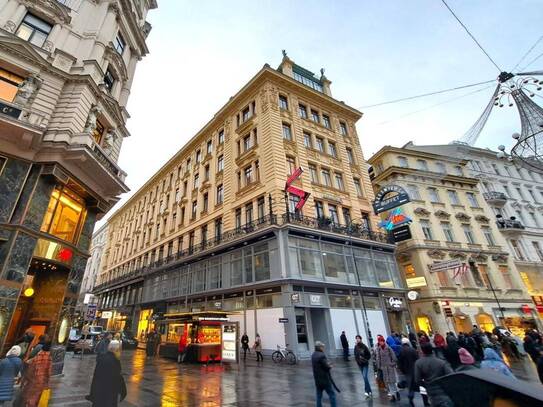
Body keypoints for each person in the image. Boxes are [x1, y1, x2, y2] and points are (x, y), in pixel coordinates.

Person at [87, 342, 127, 407]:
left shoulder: (102, 358)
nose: (120, 351)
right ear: (116, 350)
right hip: (110, 392)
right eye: (119, 349)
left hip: (99, 389)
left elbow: (96, 376)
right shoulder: (115, 360)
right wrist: (122, 390)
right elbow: (117, 377)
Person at [414, 342, 454, 407]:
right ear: (432, 350)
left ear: (422, 351)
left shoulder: (419, 363)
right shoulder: (441, 361)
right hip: (444, 390)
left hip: (431, 391)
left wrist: (426, 385)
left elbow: (417, 380)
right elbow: (451, 375)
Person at [20, 339, 52, 407]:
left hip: (34, 380)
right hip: (42, 381)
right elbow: (48, 372)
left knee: (30, 396)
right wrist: (47, 383)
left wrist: (26, 379)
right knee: (37, 397)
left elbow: (31, 369)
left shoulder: (38, 356)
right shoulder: (49, 357)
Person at [311, 341, 338, 407]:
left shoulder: (313, 355)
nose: (323, 348)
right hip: (325, 379)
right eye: (322, 347)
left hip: (317, 379)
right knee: (332, 394)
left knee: (319, 395)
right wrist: (330, 366)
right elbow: (326, 366)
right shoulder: (322, 355)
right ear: (319, 347)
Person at [374, 334, 399, 402]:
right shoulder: (378, 349)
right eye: (379, 341)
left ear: (384, 341)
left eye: (381, 341)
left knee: (392, 382)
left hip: (390, 367)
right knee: (388, 382)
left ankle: (397, 392)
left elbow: (394, 357)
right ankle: (393, 396)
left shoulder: (388, 348)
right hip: (384, 368)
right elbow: (378, 358)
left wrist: (392, 364)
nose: (380, 342)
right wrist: (379, 367)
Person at [398, 337, 419, 407]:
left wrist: (402, 370)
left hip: (406, 371)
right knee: (418, 383)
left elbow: (399, 362)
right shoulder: (412, 350)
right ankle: (424, 399)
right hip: (414, 369)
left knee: (410, 385)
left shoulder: (401, 351)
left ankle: (411, 396)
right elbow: (417, 359)